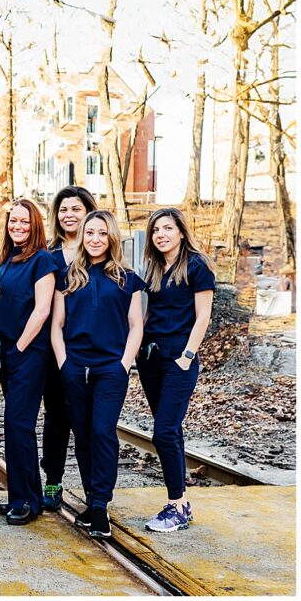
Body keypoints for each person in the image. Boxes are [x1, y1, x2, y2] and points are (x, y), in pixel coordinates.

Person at [51, 210, 145, 539]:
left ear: (111, 238)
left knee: (103, 432)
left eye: (101, 234)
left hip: (110, 369)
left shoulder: (127, 278)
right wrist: (64, 362)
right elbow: (57, 325)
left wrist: (123, 364)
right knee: (83, 435)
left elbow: (137, 326)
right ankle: (91, 500)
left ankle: (101, 505)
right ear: (82, 236)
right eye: (89, 233)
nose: (94, 239)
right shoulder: (67, 276)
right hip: (75, 367)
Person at [137, 207, 214, 532]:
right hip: (151, 360)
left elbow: (203, 316)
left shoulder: (197, 265)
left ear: (181, 232)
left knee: (164, 432)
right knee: (171, 431)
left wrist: (187, 355)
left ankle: (176, 506)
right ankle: (182, 504)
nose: (161, 235)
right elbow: (148, 313)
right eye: (156, 230)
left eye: (167, 228)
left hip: (178, 360)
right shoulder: (155, 268)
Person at [0, 198, 57, 525]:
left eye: (24, 222)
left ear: (36, 226)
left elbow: (42, 310)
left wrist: (19, 346)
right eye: (13, 221)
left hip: (28, 351)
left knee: (18, 423)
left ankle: (24, 502)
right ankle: (27, 496)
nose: (18, 227)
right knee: (18, 427)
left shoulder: (42, 260)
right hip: (4, 349)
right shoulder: (7, 261)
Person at [40, 185, 98, 510]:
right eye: (63, 210)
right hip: (54, 350)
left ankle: (93, 490)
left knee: (87, 421)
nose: (69, 215)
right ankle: (52, 480)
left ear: (88, 211)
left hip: (90, 351)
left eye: (76, 209)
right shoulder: (48, 257)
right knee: (56, 417)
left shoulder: (99, 254)